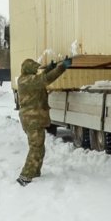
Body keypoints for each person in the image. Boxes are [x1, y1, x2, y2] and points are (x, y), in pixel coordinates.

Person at [16, 56, 70, 186]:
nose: (36, 71)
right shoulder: (25, 80)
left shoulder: (28, 79)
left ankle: (34, 172)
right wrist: (61, 67)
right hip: (31, 119)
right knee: (36, 147)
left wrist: (50, 68)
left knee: (39, 147)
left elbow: (40, 77)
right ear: (28, 69)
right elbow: (44, 80)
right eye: (34, 69)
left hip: (34, 119)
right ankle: (25, 175)